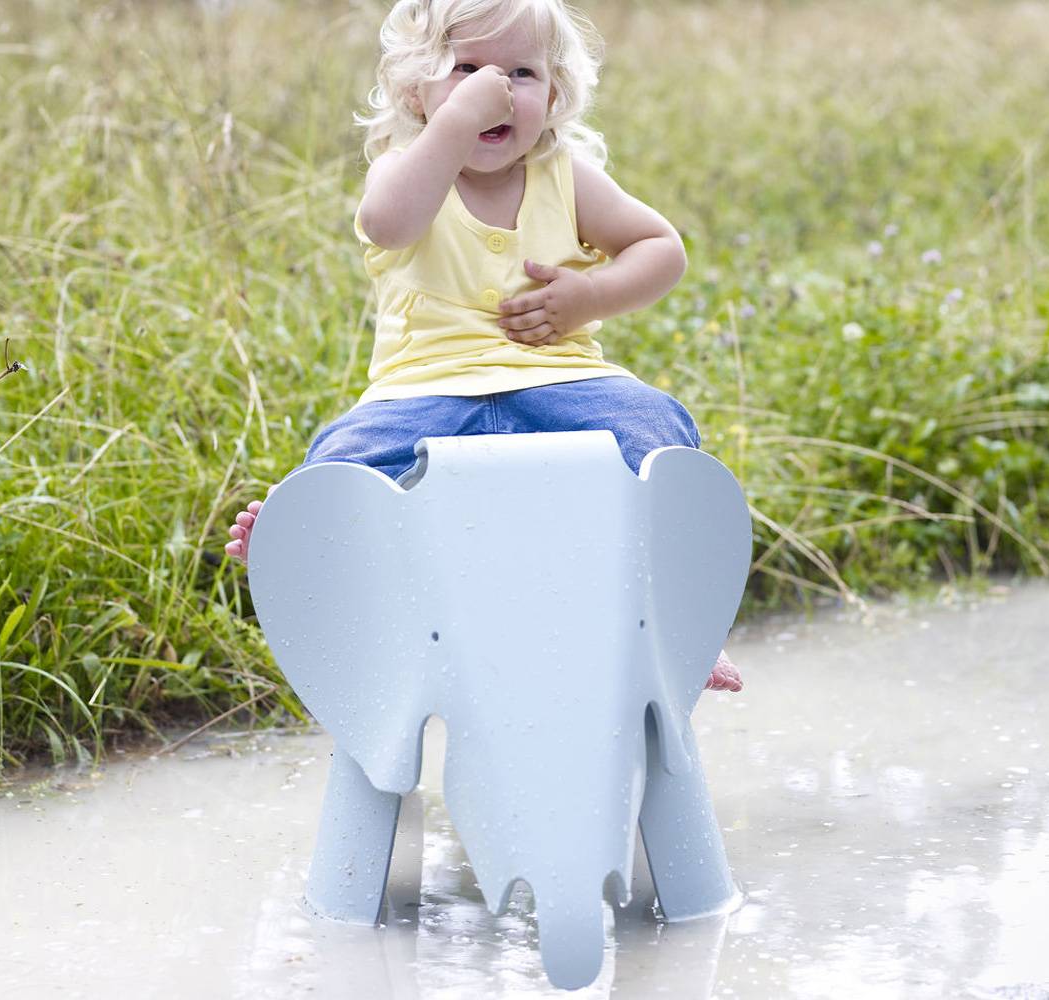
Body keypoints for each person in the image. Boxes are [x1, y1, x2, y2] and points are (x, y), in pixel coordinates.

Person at [226, 0, 741, 691]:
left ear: (554, 94)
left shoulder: (564, 175)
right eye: (466, 69)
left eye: (521, 73)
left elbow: (661, 247)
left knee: (655, 433)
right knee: (344, 463)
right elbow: (387, 224)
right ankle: (303, 548)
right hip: (422, 395)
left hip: (563, 383)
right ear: (417, 91)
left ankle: (679, 623)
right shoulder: (404, 171)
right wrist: (456, 123)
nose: (493, 90)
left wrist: (589, 297)